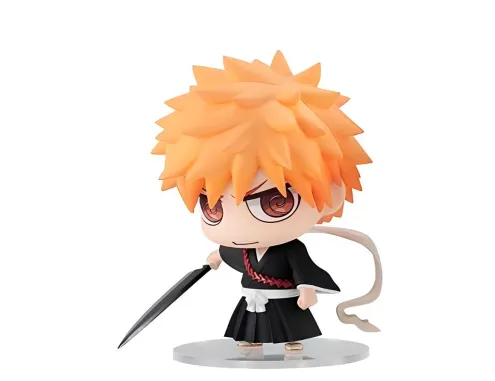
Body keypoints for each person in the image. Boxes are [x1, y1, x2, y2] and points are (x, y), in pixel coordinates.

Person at [154, 51, 382, 351]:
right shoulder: (241, 248)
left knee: (289, 324)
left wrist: (306, 289)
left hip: (283, 300)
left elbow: (302, 269)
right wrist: (218, 256)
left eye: (274, 202)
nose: (237, 227)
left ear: (332, 193)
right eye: (213, 207)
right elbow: (233, 254)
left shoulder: (291, 250)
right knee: (250, 327)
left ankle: (293, 341)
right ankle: (252, 340)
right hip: (253, 298)